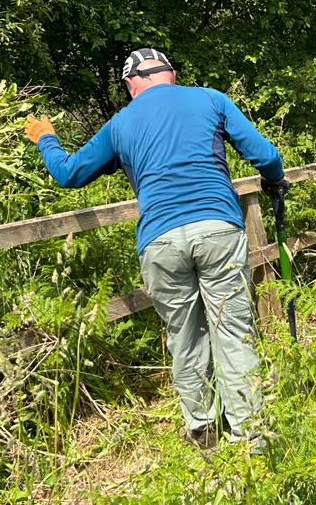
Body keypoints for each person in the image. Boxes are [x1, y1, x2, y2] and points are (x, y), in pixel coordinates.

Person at [24, 48, 288, 450]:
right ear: (172, 74)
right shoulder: (210, 99)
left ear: (132, 84)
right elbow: (266, 156)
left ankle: (203, 430)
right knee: (232, 330)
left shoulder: (120, 124)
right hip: (216, 227)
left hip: (160, 241)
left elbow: (68, 173)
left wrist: (46, 138)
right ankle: (253, 437)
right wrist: (273, 179)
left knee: (184, 335)